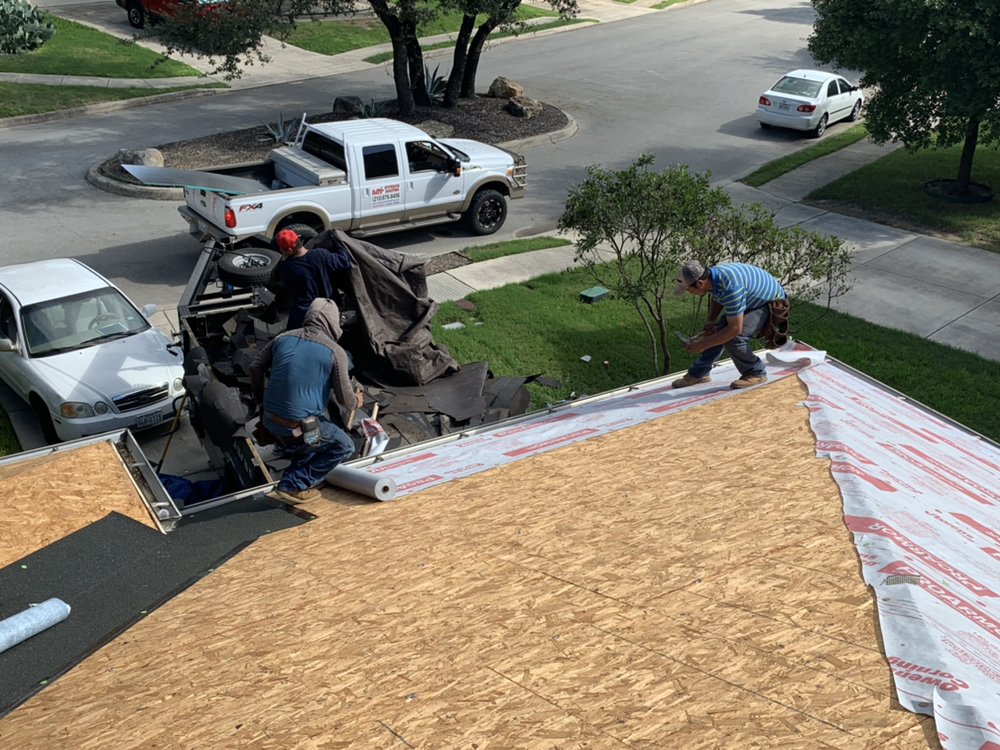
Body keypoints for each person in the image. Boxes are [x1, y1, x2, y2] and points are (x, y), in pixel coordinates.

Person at [249, 297, 362, 503]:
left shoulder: (282, 338)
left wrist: (260, 400)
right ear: (332, 322)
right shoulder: (335, 352)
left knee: (314, 439)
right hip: (300, 429)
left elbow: (255, 366)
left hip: (269, 421)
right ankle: (293, 483)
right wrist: (357, 400)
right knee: (343, 446)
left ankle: (304, 470)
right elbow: (345, 400)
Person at [671, 260, 787, 390]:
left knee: (733, 338)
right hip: (752, 300)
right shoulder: (712, 277)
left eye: (689, 289)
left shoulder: (731, 286)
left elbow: (735, 329)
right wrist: (711, 320)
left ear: (699, 283)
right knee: (717, 333)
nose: (689, 293)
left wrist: (702, 345)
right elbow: (717, 296)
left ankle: (755, 372)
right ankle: (699, 374)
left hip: (771, 304)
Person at [271, 229, 352, 330]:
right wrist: (338, 242)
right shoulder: (321, 255)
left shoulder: (286, 267)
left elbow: (280, 285)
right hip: (329, 308)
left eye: (281, 249)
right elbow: (344, 261)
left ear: (289, 250)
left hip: (303, 314)